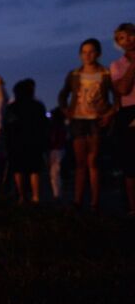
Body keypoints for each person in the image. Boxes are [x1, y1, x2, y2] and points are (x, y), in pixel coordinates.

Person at [58, 38, 116, 211]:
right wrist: (65, 110)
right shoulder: (75, 74)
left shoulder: (106, 74)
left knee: (94, 161)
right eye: (84, 52)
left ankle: (95, 202)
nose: (87, 55)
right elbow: (63, 94)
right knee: (80, 162)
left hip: (96, 120)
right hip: (78, 120)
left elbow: (116, 97)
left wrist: (109, 114)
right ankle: (78, 200)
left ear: (98, 53)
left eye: (91, 52)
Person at [5, 79, 47, 204]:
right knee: (34, 169)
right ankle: (35, 196)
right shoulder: (38, 106)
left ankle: (22, 196)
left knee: (19, 169)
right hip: (34, 142)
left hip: (17, 142)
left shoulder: (12, 107)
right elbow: (43, 125)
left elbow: (8, 125)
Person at [109, 23, 135, 217]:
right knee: (130, 164)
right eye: (122, 38)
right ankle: (132, 207)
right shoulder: (117, 65)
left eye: (131, 36)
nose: (128, 41)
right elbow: (123, 89)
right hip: (128, 112)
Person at [48, 107, 68, 201]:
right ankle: (59, 193)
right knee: (58, 173)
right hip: (62, 150)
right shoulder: (64, 126)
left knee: (55, 174)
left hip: (56, 150)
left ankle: (57, 194)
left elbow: (53, 139)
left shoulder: (55, 127)